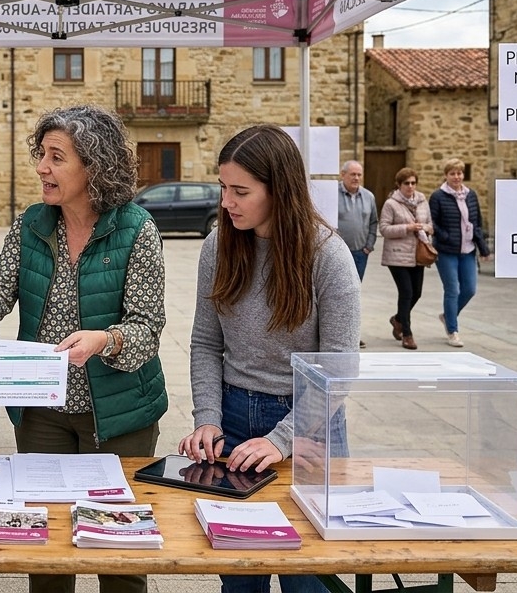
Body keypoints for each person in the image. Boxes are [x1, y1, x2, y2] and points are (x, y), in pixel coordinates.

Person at [0, 105, 166, 593]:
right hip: (42, 411)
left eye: (56, 157)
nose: (42, 168)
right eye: (41, 155)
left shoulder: (136, 229)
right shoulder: (31, 223)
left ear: (94, 164)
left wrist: (105, 340)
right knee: (45, 552)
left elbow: (148, 327)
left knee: (120, 555)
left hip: (119, 415)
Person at [179, 124, 359, 593]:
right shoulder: (218, 246)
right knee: (240, 575)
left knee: (308, 577)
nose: (226, 202)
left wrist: (282, 440)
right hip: (234, 418)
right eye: (223, 187)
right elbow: (204, 342)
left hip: (310, 424)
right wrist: (207, 420)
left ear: (279, 190)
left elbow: (339, 366)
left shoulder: (328, 255)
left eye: (240, 191)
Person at [428, 158, 491, 348]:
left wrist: (483, 248)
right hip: (446, 250)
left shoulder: (471, 195)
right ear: (446, 175)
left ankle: (448, 316)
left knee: (470, 289)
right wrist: (445, 235)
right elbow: (433, 222)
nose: (457, 177)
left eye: (459, 173)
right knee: (452, 290)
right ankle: (453, 331)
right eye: (452, 173)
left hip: (468, 250)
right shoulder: (438, 196)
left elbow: (477, 223)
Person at [378, 168, 432, 351]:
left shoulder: (423, 201)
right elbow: (384, 229)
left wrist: (424, 227)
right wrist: (407, 228)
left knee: (417, 293)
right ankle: (407, 334)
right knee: (406, 292)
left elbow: (431, 225)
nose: (410, 186)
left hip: (418, 253)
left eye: (413, 183)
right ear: (399, 185)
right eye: (406, 183)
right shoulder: (390, 204)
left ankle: (398, 319)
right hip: (397, 255)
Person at [336, 160, 375, 348]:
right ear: (342, 175)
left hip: (360, 253)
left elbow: (374, 223)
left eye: (359, 174)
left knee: (353, 295)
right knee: (336, 295)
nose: (356, 178)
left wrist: (369, 245)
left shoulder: (369, 197)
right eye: (353, 174)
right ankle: (338, 334)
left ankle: (353, 335)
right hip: (337, 254)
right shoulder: (332, 195)